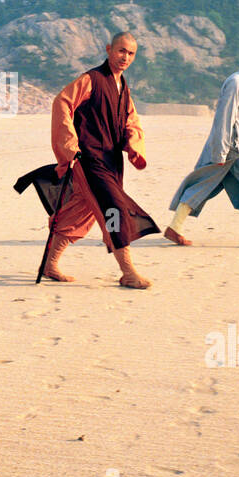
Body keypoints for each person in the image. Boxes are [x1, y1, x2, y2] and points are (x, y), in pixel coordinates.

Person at [36, 33, 158, 288]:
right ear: (108, 49)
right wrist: (70, 146)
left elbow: (131, 120)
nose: (125, 57)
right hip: (88, 159)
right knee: (113, 208)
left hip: (111, 161)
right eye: (121, 51)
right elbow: (62, 103)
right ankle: (128, 271)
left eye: (131, 53)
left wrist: (134, 146)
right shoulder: (91, 79)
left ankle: (50, 263)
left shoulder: (122, 86)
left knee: (79, 211)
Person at [164, 48, 239, 249]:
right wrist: (220, 151)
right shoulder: (236, 82)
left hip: (232, 147)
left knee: (203, 186)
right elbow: (224, 117)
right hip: (232, 148)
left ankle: (174, 228)